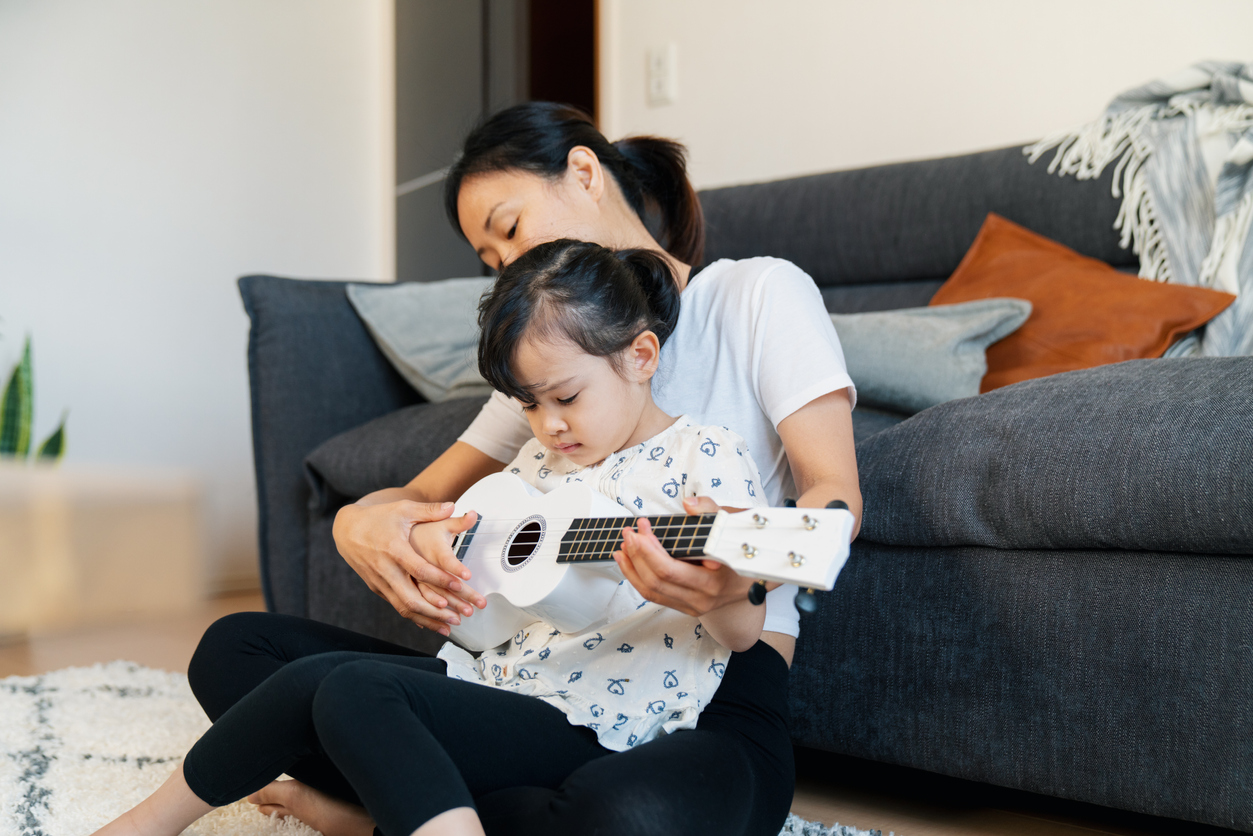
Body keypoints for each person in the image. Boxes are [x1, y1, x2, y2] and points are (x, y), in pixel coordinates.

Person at [184, 102, 862, 836]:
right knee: (236, 653)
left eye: (508, 230)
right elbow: (415, 497)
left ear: (582, 171)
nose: (507, 266)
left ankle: (386, 810)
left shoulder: (754, 295)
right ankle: (442, 801)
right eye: (491, 260)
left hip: (710, 681)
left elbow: (832, 495)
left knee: (619, 815)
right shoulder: (542, 378)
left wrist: (743, 578)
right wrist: (358, 526)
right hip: (543, 678)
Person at [92, 239, 787, 836]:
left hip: (604, 723)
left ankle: (223, 819)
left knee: (356, 693)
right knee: (237, 645)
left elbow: (738, 631)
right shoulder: (542, 459)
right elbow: (487, 591)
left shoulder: (707, 456)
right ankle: (401, 806)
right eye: (528, 405)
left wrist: (722, 589)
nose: (548, 425)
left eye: (565, 397)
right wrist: (446, 566)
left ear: (640, 356)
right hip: (503, 684)